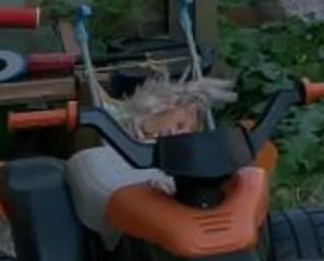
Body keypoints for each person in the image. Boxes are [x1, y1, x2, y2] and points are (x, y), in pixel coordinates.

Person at [64, 73, 239, 237]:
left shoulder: (172, 150)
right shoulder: (119, 130)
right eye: (179, 124)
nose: (177, 133)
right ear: (166, 106)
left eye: (185, 132)